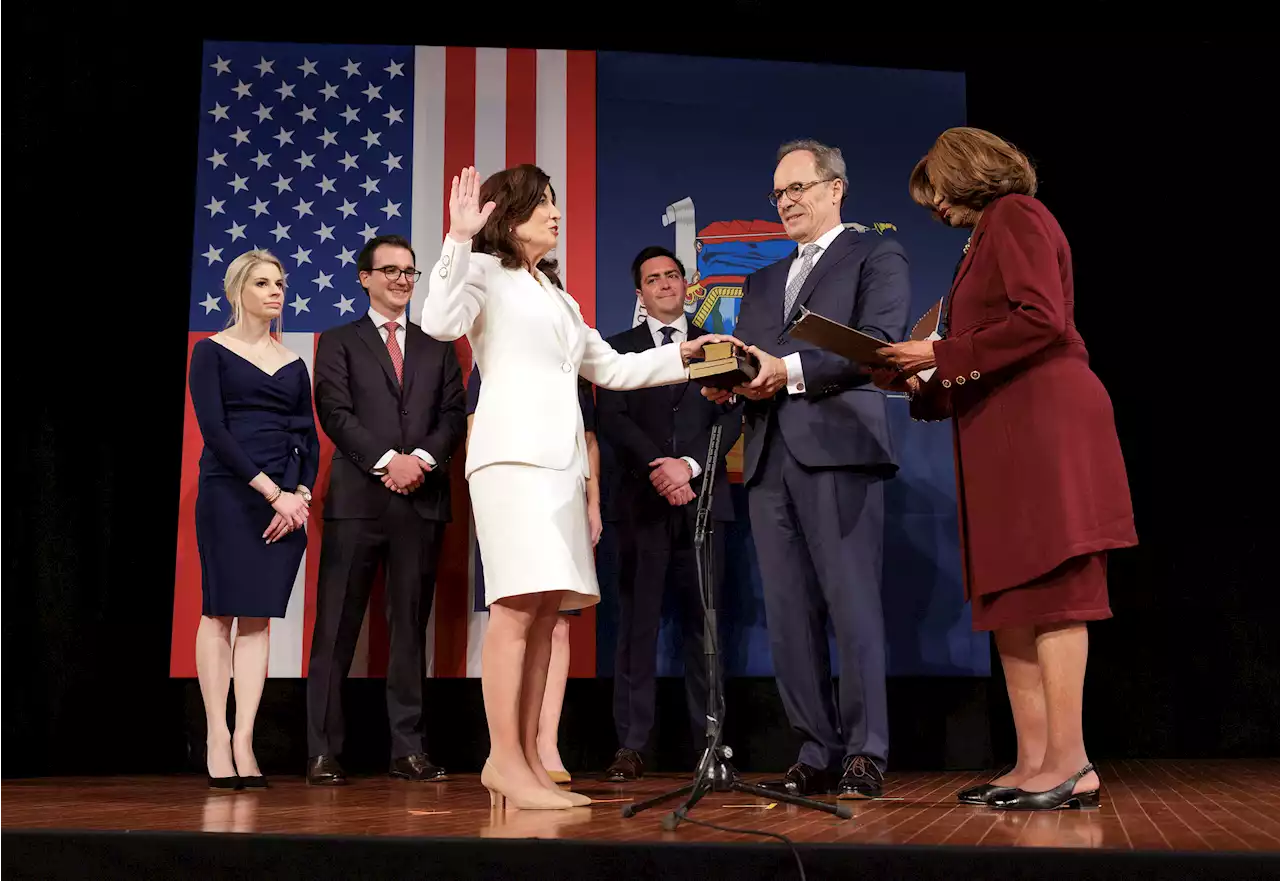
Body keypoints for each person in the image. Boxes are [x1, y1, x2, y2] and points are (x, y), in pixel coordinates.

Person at [420, 164, 742, 810]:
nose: (555, 213)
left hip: (562, 468)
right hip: (511, 462)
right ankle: (503, 759)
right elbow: (438, 320)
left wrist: (682, 355)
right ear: (508, 218)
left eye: (556, 202)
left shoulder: (558, 297)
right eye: (542, 204)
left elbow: (613, 368)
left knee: (544, 614)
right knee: (514, 608)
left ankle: (532, 762)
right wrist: (457, 240)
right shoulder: (482, 272)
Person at [874, 127, 1137, 811]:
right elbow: (981, 348)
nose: (931, 205)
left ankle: (1072, 761)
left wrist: (936, 348)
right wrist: (915, 380)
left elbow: (1041, 320)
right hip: (1002, 429)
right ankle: (1033, 761)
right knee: (1011, 600)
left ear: (963, 172)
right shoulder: (981, 236)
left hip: (1043, 426)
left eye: (933, 188)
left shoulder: (1016, 215)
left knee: (1053, 592)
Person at [703, 139, 912, 799]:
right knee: (789, 616)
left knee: (851, 608)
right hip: (767, 459)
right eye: (779, 192)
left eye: (798, 188)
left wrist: (783, 370)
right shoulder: (763, 280)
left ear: (835, 189)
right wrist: (730, 378)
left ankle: (864, 753)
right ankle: (815, 749)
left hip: (838, 450)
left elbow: (877, 344)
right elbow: (754, 361)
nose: (786, 201)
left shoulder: (876, 253)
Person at [305, 234, 466, 786]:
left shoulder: (438, 346)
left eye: (410, 272)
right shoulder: (336, 341)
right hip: (357, 502)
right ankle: (323, 752)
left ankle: (408, 750)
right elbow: (334, 409)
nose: (402, 279)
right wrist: (384, 460)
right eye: (390, 270)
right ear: (364, 277)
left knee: (408, 631)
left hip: (421, 502)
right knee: (335, 629)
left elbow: (453, 417)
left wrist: (418, 459)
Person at [596, 245, 743, 781]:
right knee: (635, 628)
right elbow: (612, 418)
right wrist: (659, 467)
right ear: (640, 292)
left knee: (705, 631)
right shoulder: (619, 350)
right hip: (640, 504)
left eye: (672, 276)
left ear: (687, 285)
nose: (664, 284)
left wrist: (688, 465)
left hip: (706, 503)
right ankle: (631, 746)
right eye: (652, 279)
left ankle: (710, 747)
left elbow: (734, 416)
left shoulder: (720, 346)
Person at [188, 249, 320, 789]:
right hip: (231, 494)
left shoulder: (293, 362)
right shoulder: (210, 353)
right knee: (220, 612)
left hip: (286, 503)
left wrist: (300, 496)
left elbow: (307, 437)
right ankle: (217, 736)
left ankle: (245, 738)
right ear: (237, 289)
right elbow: (214, 432)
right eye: (263, 283)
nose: (275, 292)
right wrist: (271, 493)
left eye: (281, 284)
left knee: (259, 619)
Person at [465, 364, 603, 785]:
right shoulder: (493, 354)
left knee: (555, 621)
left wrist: (592, 502)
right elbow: (476, 431)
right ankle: (506, 757)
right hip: (512, 493)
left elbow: (588, 439)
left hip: (563, 497)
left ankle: (544, 746)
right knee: (515, 616)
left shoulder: (570, 359)